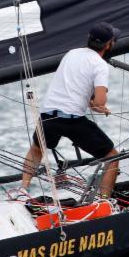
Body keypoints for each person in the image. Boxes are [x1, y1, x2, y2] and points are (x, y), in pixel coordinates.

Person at [21, 22, 120, 197]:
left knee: (37, 149)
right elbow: (99, 102)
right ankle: (105, 200)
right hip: (73, 121)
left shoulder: (71, 53)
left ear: (89, 39)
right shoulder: (100, 64)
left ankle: (23, 189)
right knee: (112, 158)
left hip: (48, 116)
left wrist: (90, 99)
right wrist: (99, 105)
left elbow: (74, 83)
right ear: (108, 45)